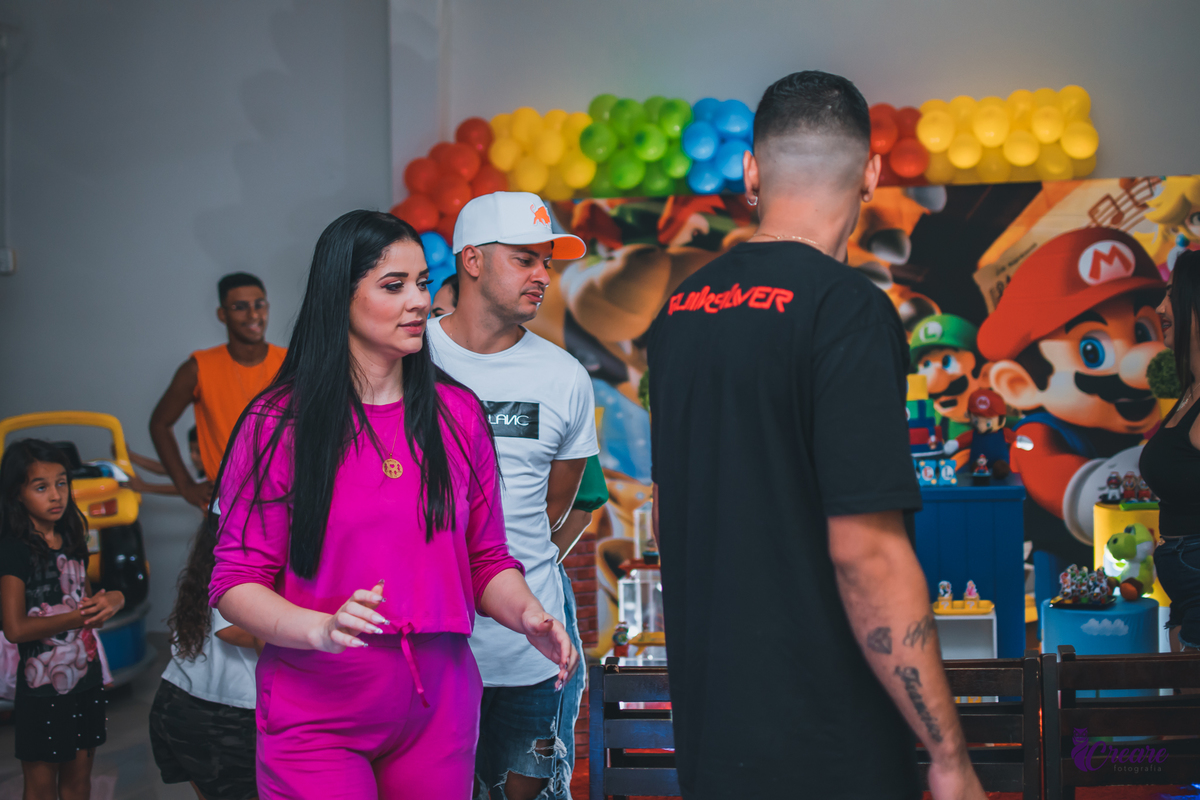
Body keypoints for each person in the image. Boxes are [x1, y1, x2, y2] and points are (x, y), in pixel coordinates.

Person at [646, 71, 985, 800]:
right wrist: (948, 755)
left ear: (751, 173)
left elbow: (677, 509)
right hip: (828, 749)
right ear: (870, 174)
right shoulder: (847, 312)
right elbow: (866, 552)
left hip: (713, 744)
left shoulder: (678, 312)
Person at [209, 210, 578, 799]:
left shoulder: (458, 416)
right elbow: (234, 581)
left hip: (440, 703)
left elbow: (485, 559)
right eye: (393, 285)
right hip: (318, 708)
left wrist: (529, 614)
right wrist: (319, 628)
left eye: (423, 284)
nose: (417, 302)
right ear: (340, 297)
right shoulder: (278, 422)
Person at [427, 191, 597, 800]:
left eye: (547, 263)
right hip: (428, 649)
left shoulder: (564, 377)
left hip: (530, 653)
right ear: (472, 260)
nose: (542, 276)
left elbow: (557, 504)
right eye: (525, 259)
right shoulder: (409, 360)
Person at [0, 440, 125, 800]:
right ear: (17, 494)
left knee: (79, 784)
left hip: (85, 683)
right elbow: (15, 628)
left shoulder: (72, 538)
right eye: (41, 487)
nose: (56, 495)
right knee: (40, 788)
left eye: (61, 483)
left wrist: (113, 599)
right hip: (41, 692)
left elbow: (89, 611)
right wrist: (76, 617)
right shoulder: (14, 551)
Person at [150, 273, 286, 508]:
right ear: (222, 315)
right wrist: (186, 486)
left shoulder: (290, 363)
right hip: (225, 507)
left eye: (259, 305)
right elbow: (159, 424)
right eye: (240, 307)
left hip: (282, 502)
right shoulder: (199, 368)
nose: (253, 315)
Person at [149, 518, 260, 800]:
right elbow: (230, 629)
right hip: (227, 717)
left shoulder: (209, 563)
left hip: (178, 701)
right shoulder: (246, 552)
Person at [1141, 249, 1200, 652]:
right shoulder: (1188, 394)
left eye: (1172, 295)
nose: (1161, 307)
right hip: (1185, 590)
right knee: (1183, 710)